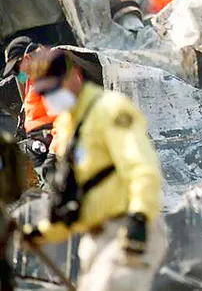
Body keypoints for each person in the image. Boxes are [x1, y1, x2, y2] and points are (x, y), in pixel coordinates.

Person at [19, 48, 166, 291]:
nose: (51, 98)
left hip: (126, 231)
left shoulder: (109, 110)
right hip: (94, 241)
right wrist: (40, 233)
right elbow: (76, 201)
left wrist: (139, 218)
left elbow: (141, 167)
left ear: (74, 76)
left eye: (55, 89)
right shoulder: (67, 126)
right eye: (45, 93)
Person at [2, 37, 58, 185]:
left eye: (16, 68)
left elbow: (63, 117)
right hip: (39, 146)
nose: (17, 74)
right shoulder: (33, 78)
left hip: (50, 146)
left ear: (26, 57)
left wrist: (54, 151)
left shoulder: (48, 74)